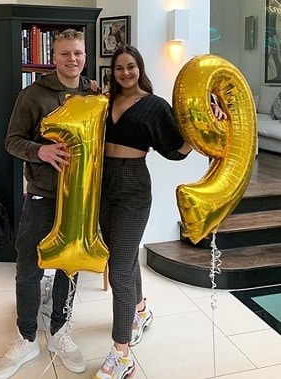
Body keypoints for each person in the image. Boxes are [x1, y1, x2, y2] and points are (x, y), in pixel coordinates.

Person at [93, 45, 227, 379]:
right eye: (120, 67)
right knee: (119, 257)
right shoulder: (103, 101)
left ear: (140, 69)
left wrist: (203, 128)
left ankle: (121, 354)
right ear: (112, 71)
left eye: (131, 67)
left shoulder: (154, 105)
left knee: (120, 268)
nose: (125, 73)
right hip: (101, 184)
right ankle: (139, 310)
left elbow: (174, 149)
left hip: (133, 187)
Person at [0, 29, 99, 379]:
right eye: (65, 53)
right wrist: (41, 150)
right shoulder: (32, 94)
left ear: (85, 55)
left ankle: (60, 331)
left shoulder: (95, 93)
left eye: (78, 53)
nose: (73, 59)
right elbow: (11, 141)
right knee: (29, 265)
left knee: (70, 264)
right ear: (54, 57)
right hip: (42, 195)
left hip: (82, 200)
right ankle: (26, 337)